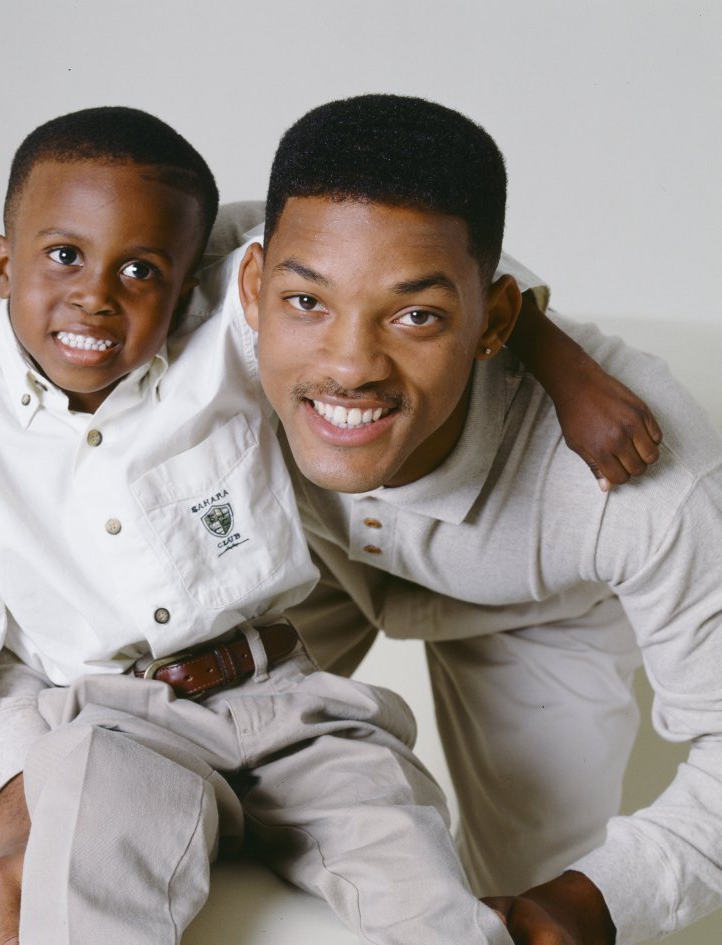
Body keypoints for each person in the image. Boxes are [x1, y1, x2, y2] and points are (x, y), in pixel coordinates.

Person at [0, 105, 602, 945]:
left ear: (195, 274)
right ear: (2, 263)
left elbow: (403, 262)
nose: (95, 295)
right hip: (113, 723)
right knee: (88, 886)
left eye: (140, 270)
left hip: (288, 699)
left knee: (415, 870)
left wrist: (566, 366)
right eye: (63, 256)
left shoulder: (237, 322)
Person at [234, 95, 722, 943]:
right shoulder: (190, 303)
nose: (349, 364)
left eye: (416, 316)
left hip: (536, 607)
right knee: (182, 795)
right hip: (308, 558)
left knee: (532, 899)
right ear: (251, 284)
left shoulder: (650, 477)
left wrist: (597, 899)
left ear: (493, 319)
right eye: (306, 302)